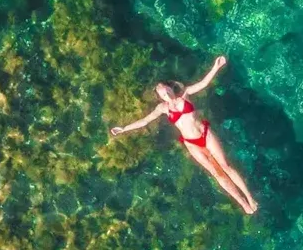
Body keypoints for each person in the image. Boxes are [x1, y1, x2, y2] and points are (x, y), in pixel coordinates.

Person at [110, 55, 258, 215]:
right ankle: (242, 202)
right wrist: (124, 128)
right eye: (161, 94)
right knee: (217, 173)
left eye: (165, 91)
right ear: (160, 97)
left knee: (225, 166)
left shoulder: (185, 94)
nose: (165, 95)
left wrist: (216, 67)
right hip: (192, 143)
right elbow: (145, 121)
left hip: (205, 134)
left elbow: (203, 83)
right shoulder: (162, 108)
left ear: (170, 88)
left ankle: (249, 197)